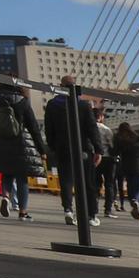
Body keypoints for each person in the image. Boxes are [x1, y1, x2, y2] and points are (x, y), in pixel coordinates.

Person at [44, 79, 103, 226]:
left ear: (60, 87)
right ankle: (91, 215)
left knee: (66, 180)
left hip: (62, 147)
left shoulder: (52, 105)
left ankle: (68, 210)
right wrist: (98, 149)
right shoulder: (83, 105)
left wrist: (52, 146)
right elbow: (92, 128)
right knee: (88, 181)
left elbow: (48, 128)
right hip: (83, 148)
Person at [0, 81, 45, 221]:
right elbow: (33, 127)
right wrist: (41, 149)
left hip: (1, 141)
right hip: (21, 143)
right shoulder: (22, 101)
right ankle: (23, 212)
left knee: (6, 173)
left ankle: (6, 197)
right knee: (22, 178)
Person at [113, 121, 139, 218]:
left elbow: (115, 152)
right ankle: (137, 202)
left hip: (127, 169)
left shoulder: (121, 141)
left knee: (131, 188)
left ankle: (133, 201)